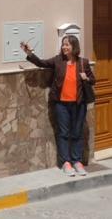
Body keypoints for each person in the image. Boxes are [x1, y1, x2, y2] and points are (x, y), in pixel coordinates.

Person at [20, 35, 95, 176]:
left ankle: (77, 161)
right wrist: (29, 53)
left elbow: (93, 80)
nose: (64, 47)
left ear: (74, 46)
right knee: (64, 133)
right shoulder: (58, 61)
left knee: (77, 133)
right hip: (61, 105)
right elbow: (41, 63)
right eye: (63, 44)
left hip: (79, 104)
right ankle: (66, 162)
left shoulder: (83, 62)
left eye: (67, 44)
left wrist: (87, 78)